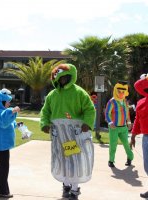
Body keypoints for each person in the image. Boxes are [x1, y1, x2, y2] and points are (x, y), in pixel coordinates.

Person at [40, 63, 95, 200]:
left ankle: (75, 191)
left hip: (73, 135)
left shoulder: (79, 92)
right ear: (55, 79)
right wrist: (45, 124)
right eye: (60, 78)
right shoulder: (52, 95)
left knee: (73, 160)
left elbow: (89, 109)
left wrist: (87, 123)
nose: (62, 80)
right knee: (61, 159)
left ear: (71, 76)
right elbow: (45, 111)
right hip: (58, 135)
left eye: (65, 77)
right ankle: (66, 186)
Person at [105, 81, 134, 168]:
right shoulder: (112, 101)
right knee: (113, 145)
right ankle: (111, 161)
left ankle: (130, 158)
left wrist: (129, 123)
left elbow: (127, 113)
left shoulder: (125, 101)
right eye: (119, 91)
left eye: (123, 91)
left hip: (123, 128)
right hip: (114, 128)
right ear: (116, 90)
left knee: (126, 144)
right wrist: (110, 123)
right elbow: (107, 113)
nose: (121, 93)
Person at [130, 74, 148, 199]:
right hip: (146, 138)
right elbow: (137, 120)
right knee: (147, 165)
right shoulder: (141, 102)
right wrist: (133, 136)